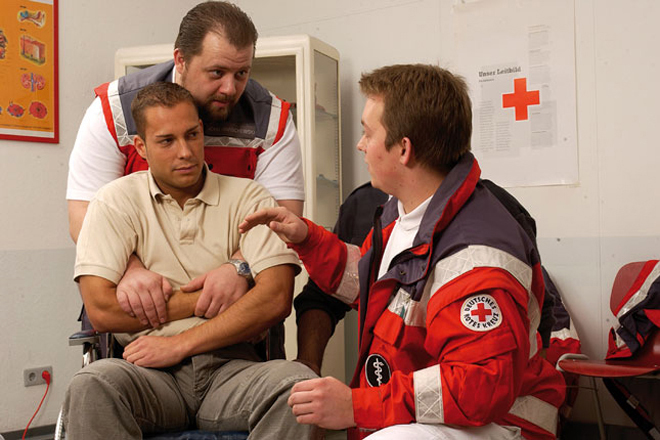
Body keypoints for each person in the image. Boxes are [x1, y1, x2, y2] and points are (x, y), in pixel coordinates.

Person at [240, 64, 566, 440]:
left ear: (404, 149)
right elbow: (375, 287)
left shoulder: (477, 254)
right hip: (446, 413)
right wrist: (307, 239)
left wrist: (357, 405)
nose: (361, 144)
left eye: (367, 132)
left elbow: (479, 386)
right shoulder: (407, 209)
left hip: (504, 423)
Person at [62, 82, 316, 439]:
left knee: (301, 388)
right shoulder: (113, 202)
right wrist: (200, 302)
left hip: (232, 367)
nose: (185, 152)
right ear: (141, 147)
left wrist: (179, 343)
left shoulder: (249, 196)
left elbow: (276, 298)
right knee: (91, 385)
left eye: (192, 135)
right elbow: (101, 309)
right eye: (167, 141)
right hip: (148, 374)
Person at [66, 1, 304, 332]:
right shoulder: (113, 109)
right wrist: (129, 269)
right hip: (137, 312)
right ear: (181, 59)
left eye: (242, 73)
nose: (230, 89)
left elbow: (283, 222)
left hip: (234, 317)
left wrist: (239, 267)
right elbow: (84, 213)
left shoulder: (272, 120)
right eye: (217, 72)